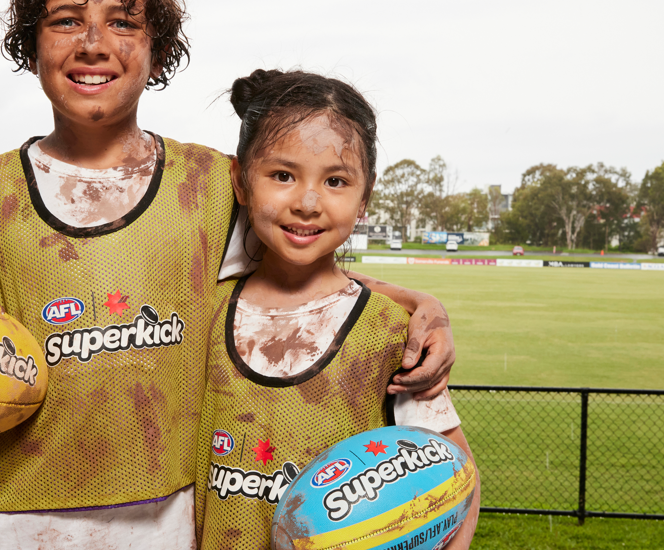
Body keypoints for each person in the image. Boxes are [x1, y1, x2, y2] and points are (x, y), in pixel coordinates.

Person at [0, 0, 458, 549]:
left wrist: (417, 306)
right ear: (32, 44)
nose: (93, 43)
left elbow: (299, 278)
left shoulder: (209, 185)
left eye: (123, 22)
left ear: (157, 49)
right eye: (65, 20)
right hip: (11, 524)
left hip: (166, 519)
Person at [194, 69, 480, 549]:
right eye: (282, 175)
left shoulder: (393, 333)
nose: (308, 202)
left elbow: (457, 482)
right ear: (241, 183)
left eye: (336, 180)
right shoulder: (204, 310)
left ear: (364, 197)